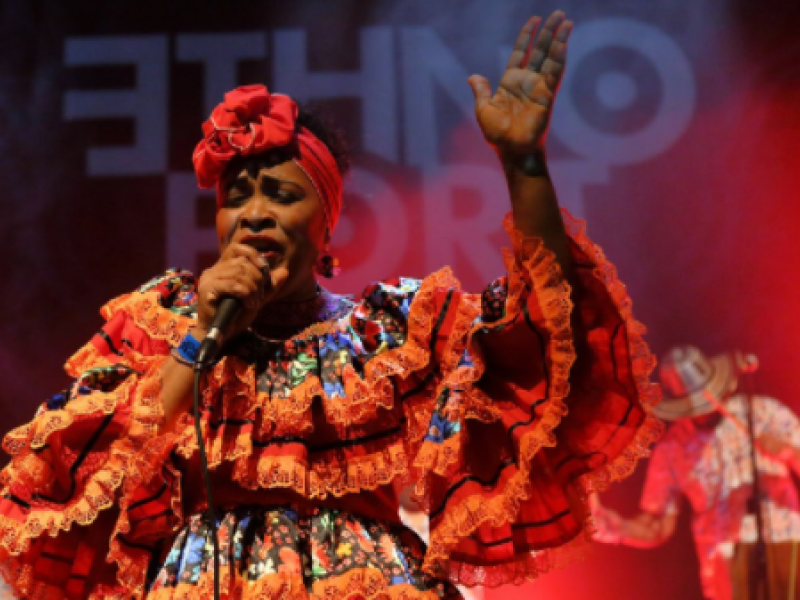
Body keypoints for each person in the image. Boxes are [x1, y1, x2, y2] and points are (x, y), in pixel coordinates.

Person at [0, 11, 660, 599]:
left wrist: (524, 167)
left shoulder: (387, 336)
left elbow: (542, 342)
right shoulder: (163, 323)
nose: (254, 215)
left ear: (327, 224)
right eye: (238, 197)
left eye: (282, 196)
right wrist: (203, 335)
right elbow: (80, 481)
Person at [592, 346, 800, 600]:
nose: (703, 411)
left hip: (784, 542)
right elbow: (658, 523)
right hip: (722, 557)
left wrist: (790, 453)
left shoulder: (763, 414)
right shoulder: (671, 448)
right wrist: (620, 528)